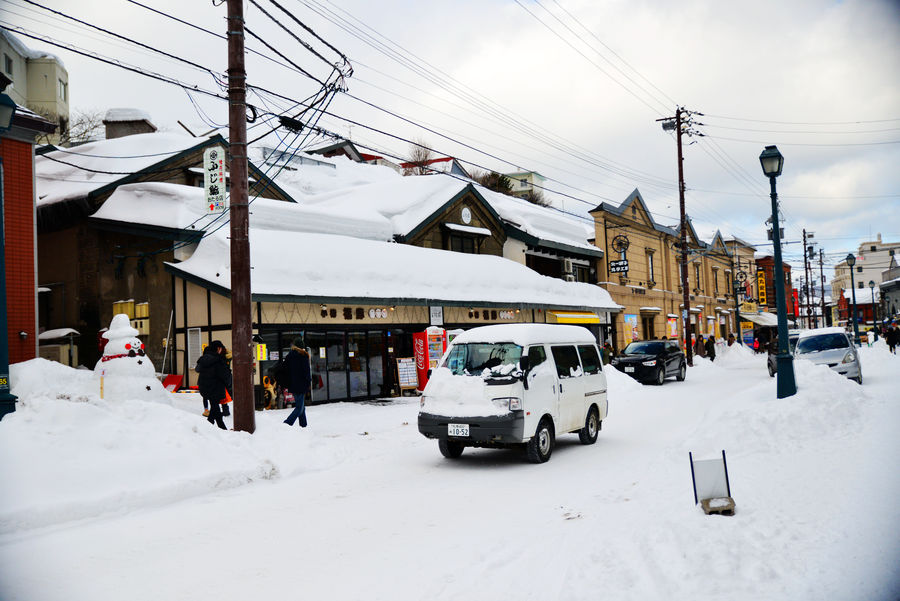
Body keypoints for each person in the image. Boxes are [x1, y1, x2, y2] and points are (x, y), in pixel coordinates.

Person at [195, 340, 232, 430]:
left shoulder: (204, 359)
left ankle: (219, 428)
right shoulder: (218, 360)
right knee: (215, 409)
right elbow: (225, 376)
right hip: (215, 389)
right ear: (218, 349)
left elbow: (198, 369)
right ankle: (211, 429)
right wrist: (230, 386)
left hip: (204, 388)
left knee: (215, 409)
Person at [283, 337, 312, 428]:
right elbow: (306, 372)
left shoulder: (289, 356)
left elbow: (286, 370)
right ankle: (287, 424)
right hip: (301, 385)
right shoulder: (303, 356)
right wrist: (308, 382)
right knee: (299, 407)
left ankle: (303, 426)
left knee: (301, 406)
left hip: (293, 384)